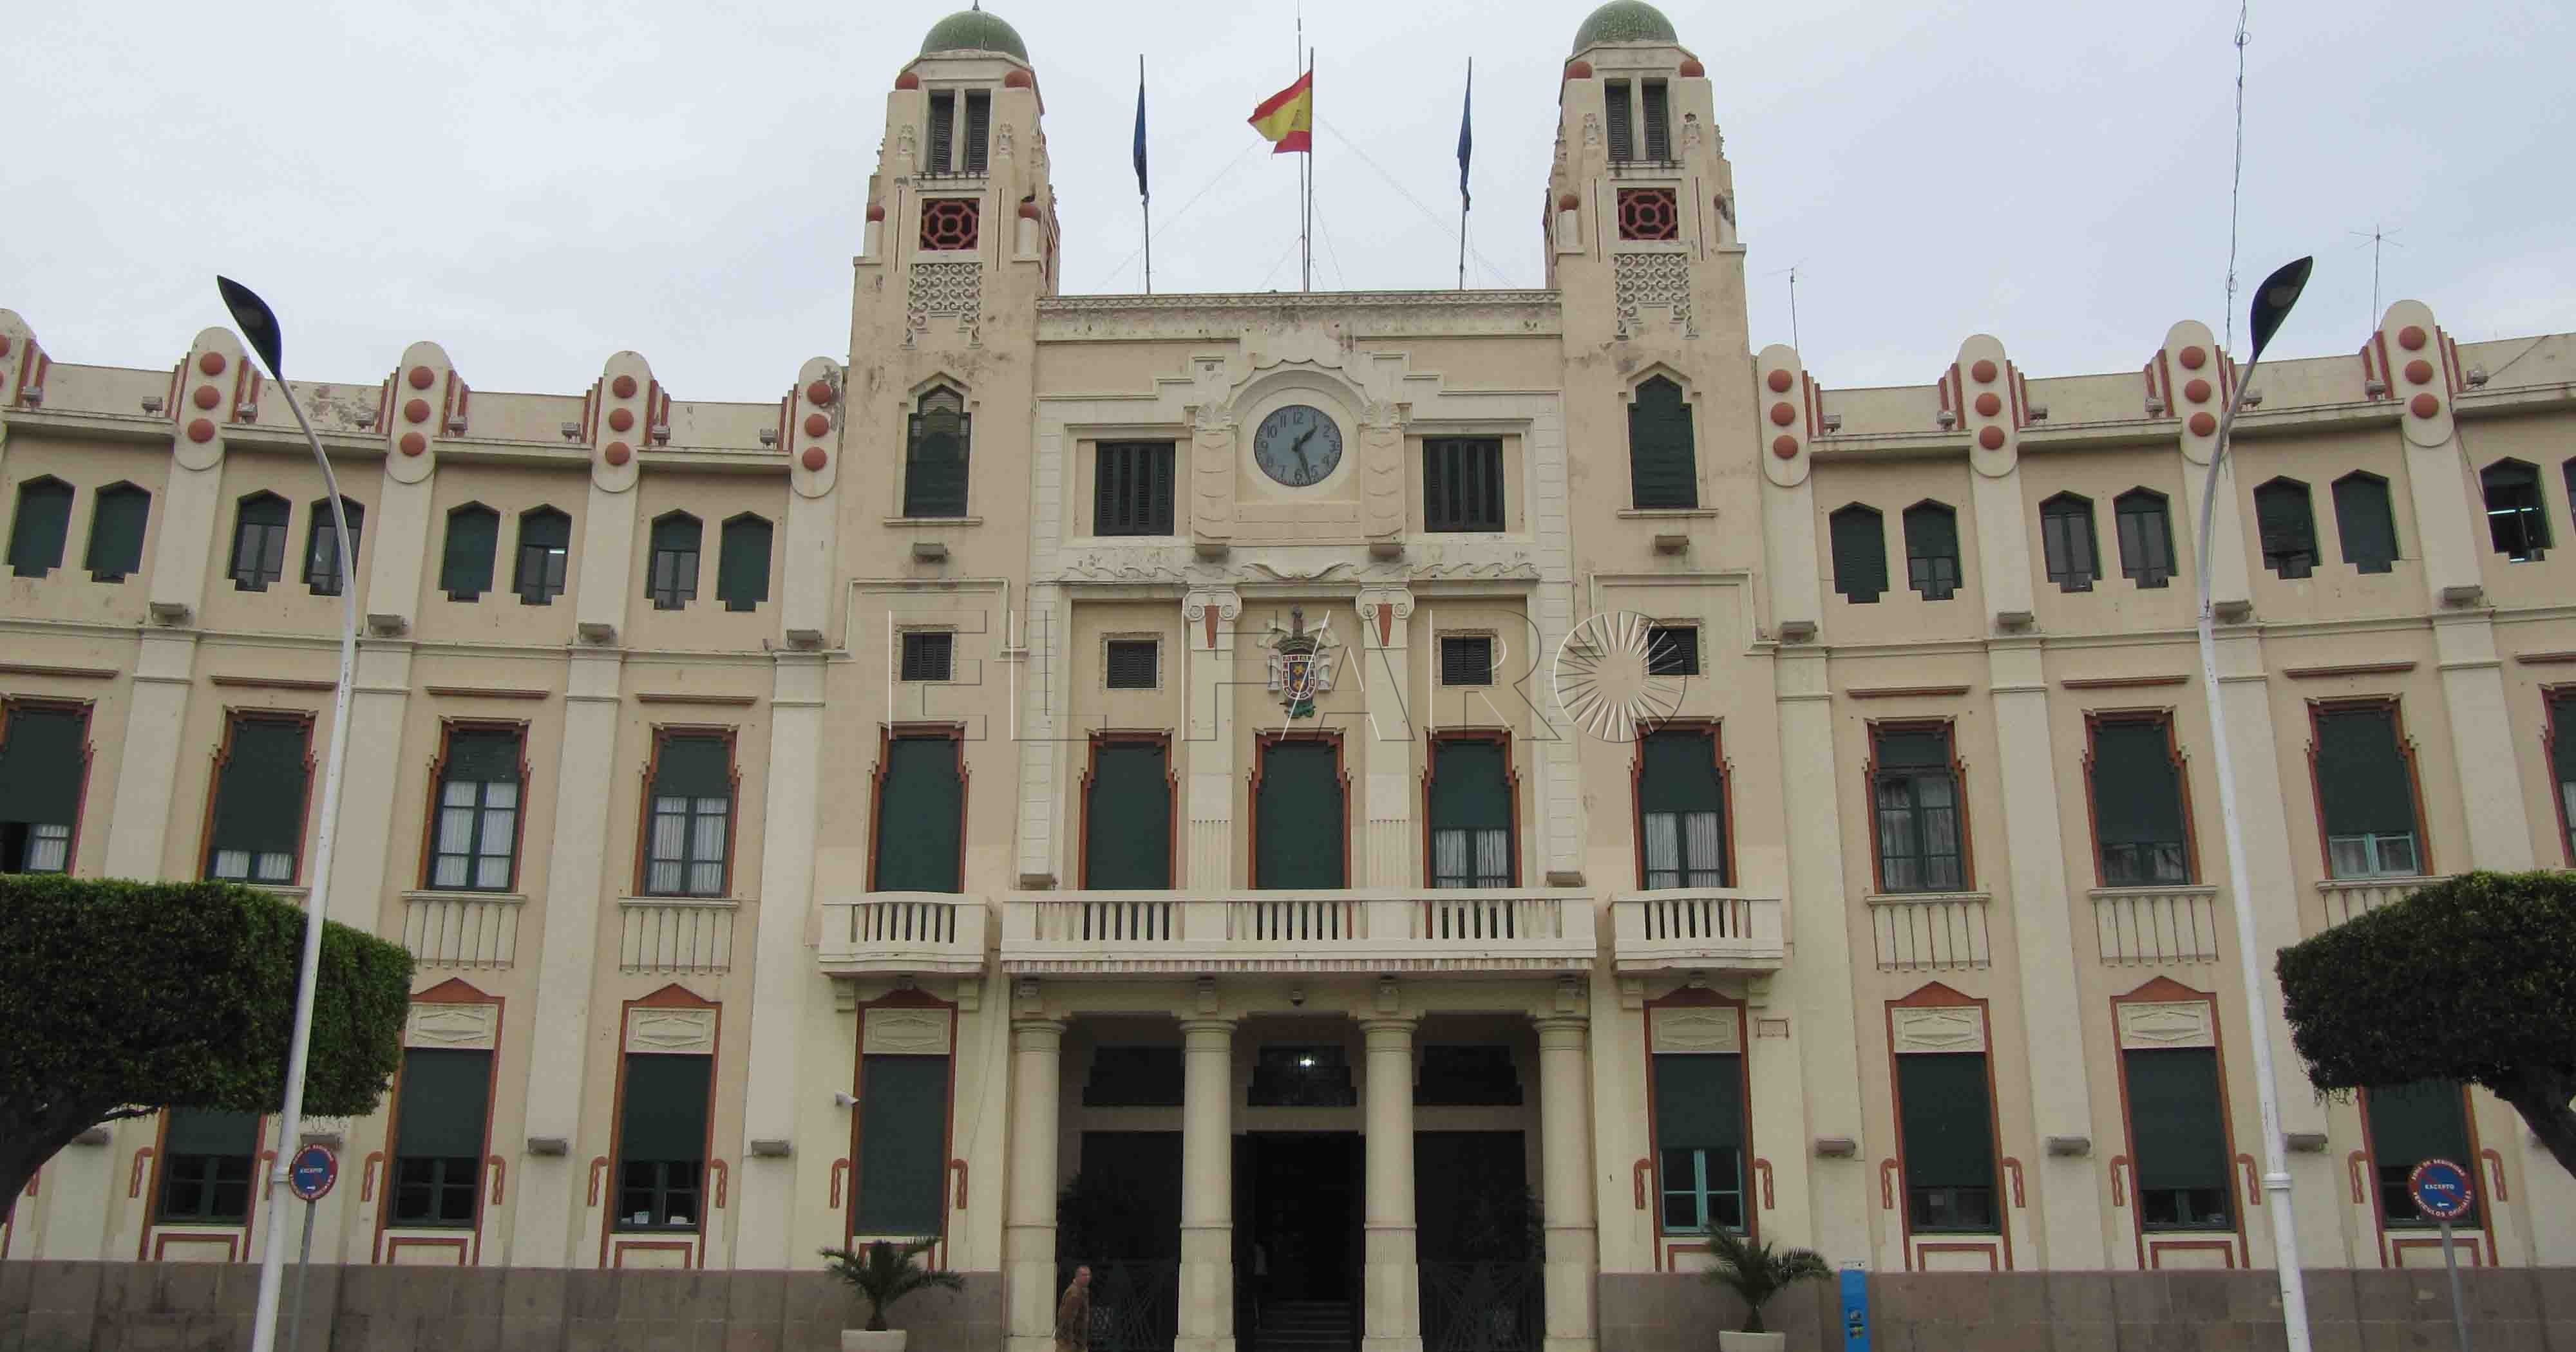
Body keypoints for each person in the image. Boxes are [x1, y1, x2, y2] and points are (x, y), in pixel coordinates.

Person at [1054, 1265, 1094, 1352]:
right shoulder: (1075, 1293)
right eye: (1084, 1275)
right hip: (1070, 1344)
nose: (1087, 1278)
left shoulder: (1083, 1291)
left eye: (1089, 1275)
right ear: (1077, 1276)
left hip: (1078, 1342)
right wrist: (1071, 1343)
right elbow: (1067, 1319)